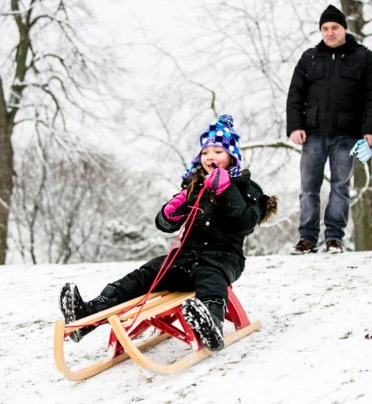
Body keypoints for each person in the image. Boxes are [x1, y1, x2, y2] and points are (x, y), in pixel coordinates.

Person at [59, 114, 277, 351]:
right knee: (145, 274)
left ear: (231, 156)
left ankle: (211, 325)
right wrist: (169, 213)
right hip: (184, 258)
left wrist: (226, 190)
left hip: (223, 258)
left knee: (211, 280)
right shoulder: (195, 186)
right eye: (205, 152)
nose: (210, 157)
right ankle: (87, 316)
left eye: (218, 152)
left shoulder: (246, 188)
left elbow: (245, 222)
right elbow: (165, 226)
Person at [286, 4, 372, 254]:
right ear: (321, 31)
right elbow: (295, 94)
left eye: (335, 27)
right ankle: (307, 239)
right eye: (325, 28)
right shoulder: (309, 58)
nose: (330, 32)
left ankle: (334, 238)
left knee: (341, 186)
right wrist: (295, 125)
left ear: (344, 28)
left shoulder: (363, 57)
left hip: (347, 135)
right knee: (309, 188)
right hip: (313, 134)